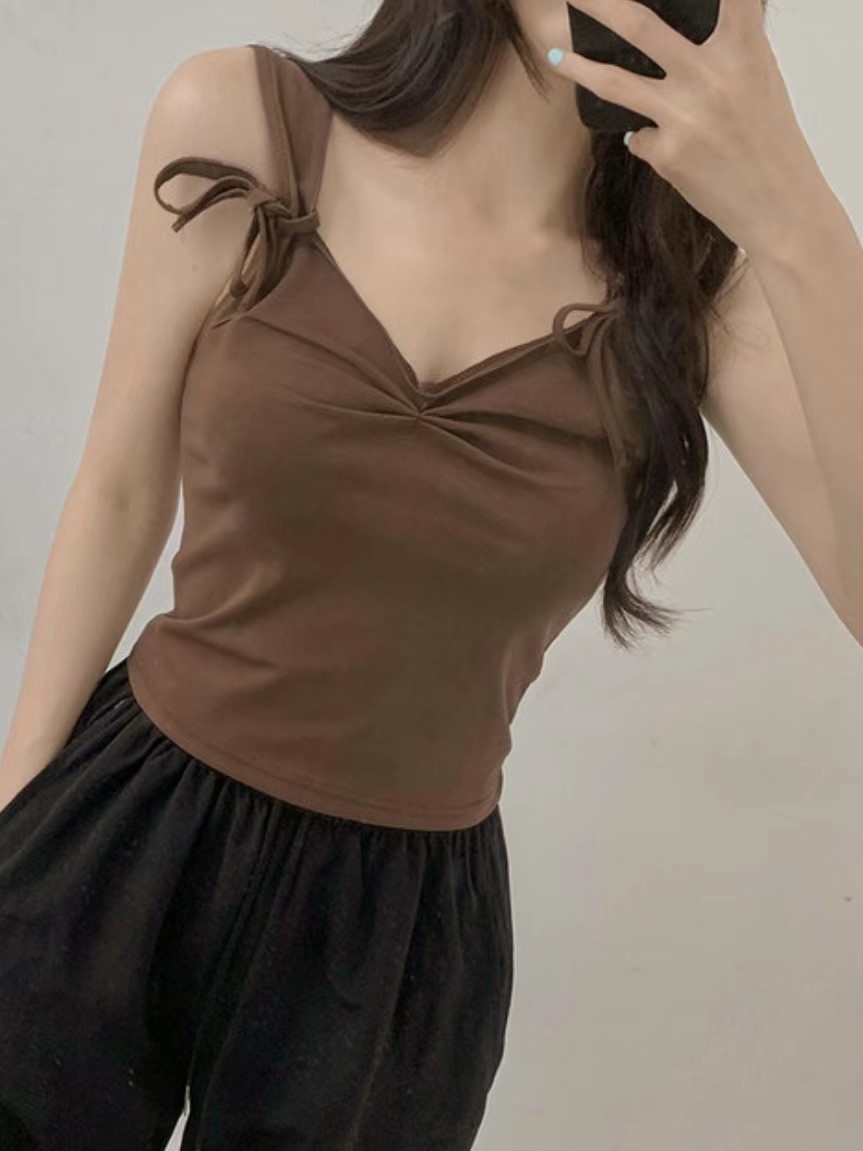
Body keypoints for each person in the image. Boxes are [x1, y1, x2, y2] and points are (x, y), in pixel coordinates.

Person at [4, 0, 835, 1147]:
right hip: (129, 824)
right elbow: (118, 490)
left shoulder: (692, 298)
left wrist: (794, 211)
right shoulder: (244, 120)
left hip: (391, 943)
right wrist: (18, 818)